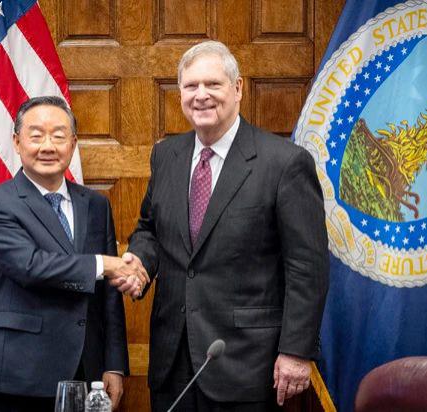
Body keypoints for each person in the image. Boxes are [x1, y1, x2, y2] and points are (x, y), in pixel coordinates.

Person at [124, 41, 330, 411]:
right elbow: (150, 228)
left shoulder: (285, 163)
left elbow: (307, 266)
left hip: (246, 364)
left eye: (213, 84)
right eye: (191, 86)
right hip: (173, 362)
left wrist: (296, 351)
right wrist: (140, 261)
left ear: (237, 89)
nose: (201, 95)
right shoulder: (166, 155)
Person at [0, 96, 147, 411]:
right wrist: (104, 264)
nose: (48, 146)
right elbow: (30, 266)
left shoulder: (95, 205)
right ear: (17, 142)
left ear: (73, 143)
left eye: (58, 136)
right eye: (36, 136)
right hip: (18, 377)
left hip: (86, 373)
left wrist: (114, 363)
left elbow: (109, 295)